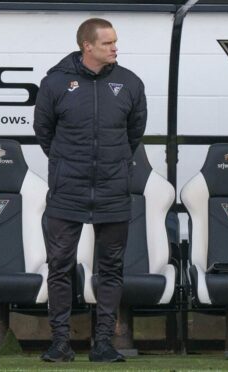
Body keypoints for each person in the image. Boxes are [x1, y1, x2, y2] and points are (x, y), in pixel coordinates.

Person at [33, 18, 146, 363]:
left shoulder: (129, 83)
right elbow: (44, 132)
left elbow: (133, 133)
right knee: (60, 266)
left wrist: (112, 165)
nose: (115, 48)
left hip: (113, 192)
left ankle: (103, 345)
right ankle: (60, 344)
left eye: (115, 42)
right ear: (88, 46)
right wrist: (70, 165)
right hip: (68, 192)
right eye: (108, 43)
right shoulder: (55, 83)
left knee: (111, 268)